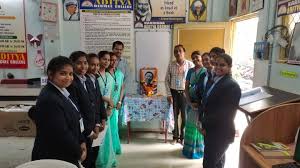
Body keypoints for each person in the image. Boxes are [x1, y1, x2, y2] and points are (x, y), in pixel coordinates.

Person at [31, 56, 86, 167]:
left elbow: (74, 118)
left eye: (70, 74)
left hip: (68, 150)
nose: (68, 78)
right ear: (51, 74)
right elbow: (61, 133)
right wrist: (78, 151)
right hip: (56, 155)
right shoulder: (50, 98)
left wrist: (81, 141)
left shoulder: (62, 92)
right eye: (63, 73)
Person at [198, 53, 241, 168]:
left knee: (209, 164)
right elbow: (205, 102)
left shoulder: (231, 86)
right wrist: (200, 121)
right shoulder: (214, 80)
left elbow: (224, 114)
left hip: (220, 133)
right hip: (211, 130)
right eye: (216, 64)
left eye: (222, 65)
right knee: (217, 163)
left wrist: (204, 124)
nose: (218, 67)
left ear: (229, 67)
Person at [68, 51, 99, 168]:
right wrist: (88, 131)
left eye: (85, 63)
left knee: (91, 157)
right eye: (79, 63)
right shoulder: (72, 83)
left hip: (91, 127)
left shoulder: (86, 79)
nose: (83, 66)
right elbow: (77, 111)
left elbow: (94, 103)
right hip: (82, 131)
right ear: (72, 64)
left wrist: (96, 124)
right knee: (83, 160)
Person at [165, 44, 194, 145]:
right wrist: (169, 94)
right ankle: (175, 136)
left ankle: (183, 137)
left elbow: (193, 81)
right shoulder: (171, 64)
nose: (177, 53)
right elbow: (166, 80)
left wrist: (191, 95)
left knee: (185, 117)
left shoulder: (190, 65)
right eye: (175, 51)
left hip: (185, 94)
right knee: (174, 116)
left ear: (184, 52)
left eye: (180, 51)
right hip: (174, 93)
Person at [86, 53, 108, 168]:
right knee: (89, 155)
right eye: (92, 65)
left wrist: (103, 118)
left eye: (97, 65)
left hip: (98, 121)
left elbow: (99, 100)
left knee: (95, 151)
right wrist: (96, 123)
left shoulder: (95, 79)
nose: (95, 68)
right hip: (91, 124)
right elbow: (89, 106)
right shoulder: (85, 81)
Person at [96, 51, 117, 168]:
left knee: (107, 136)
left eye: (108, 60)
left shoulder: (109, 76)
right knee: (99, 137)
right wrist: (107, 101)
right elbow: (93, 95)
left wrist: (109, 107)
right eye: (104, 59)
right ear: (99, 59)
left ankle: (107, 160)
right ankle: (99, 162)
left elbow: (111, 94)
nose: (107, 62)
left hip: (107, 110)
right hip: (97, 110)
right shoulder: (95, 75)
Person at [182, 51, 206, 159]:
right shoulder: (190, 71)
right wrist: (189, 101)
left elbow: (206, 89)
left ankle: (198, 150)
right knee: (190, 124)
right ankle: (188, 150)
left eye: (197, 57)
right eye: (193, 58)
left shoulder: (205, 71)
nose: (195, 60)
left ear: (201, 58)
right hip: (190, 103)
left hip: (200, 103)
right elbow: (186, 87)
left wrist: (199, 103)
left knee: (198, 125)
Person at [107, 52, 124, 155]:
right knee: (107, 129)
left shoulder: (119, 73)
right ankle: (109, 150)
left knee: (114, 128)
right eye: (111, 60)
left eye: (115, 60)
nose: (113, 62)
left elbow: (122, 87)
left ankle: (115, 148)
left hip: (116, 106)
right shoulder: (104, 73)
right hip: (107, 106)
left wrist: (120, 101)